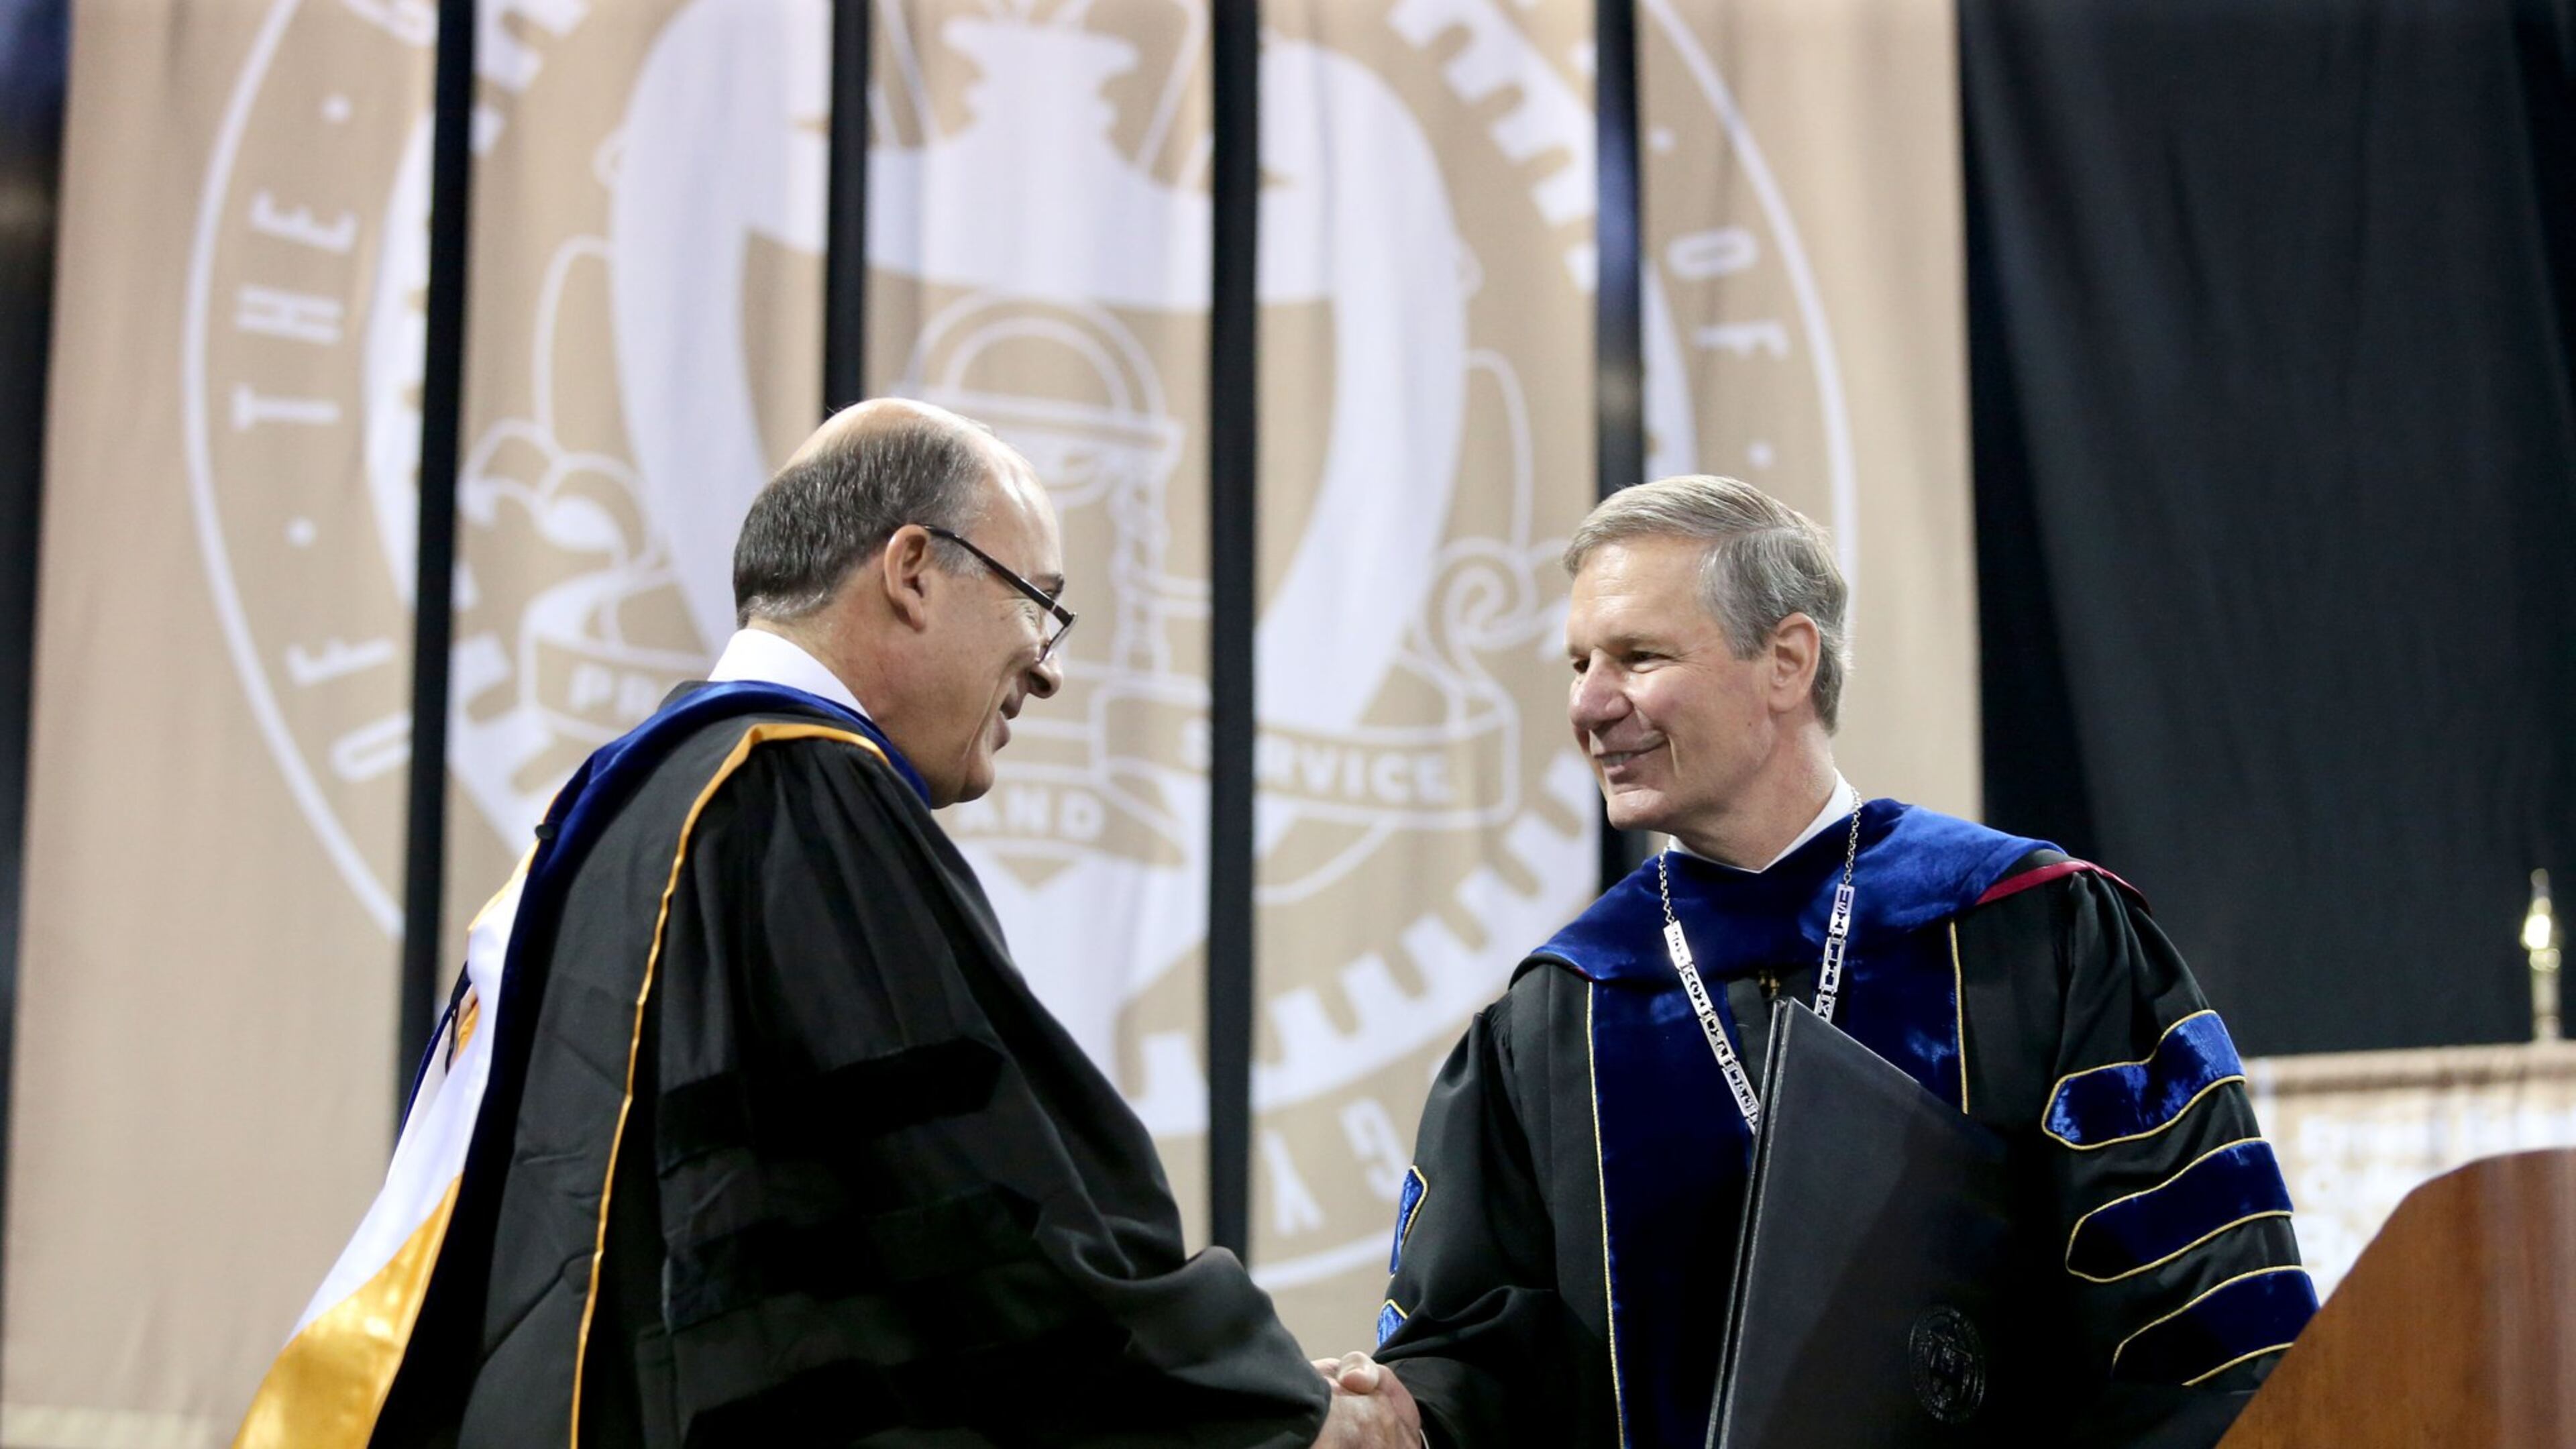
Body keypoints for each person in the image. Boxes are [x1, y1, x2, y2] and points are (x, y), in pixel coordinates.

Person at [232, 400, 1414, 1448]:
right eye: (1037, 606)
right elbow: (977, 1211)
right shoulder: (797, 795)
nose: (1044, 671)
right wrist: (1254, 1399)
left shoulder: (622, 814)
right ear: (913, 569)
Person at [1331, 476, 2314, 1448]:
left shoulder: (2033, 935)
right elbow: (1477, 1349)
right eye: (1579, 661)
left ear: (1787, 662)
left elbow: (2200, 1325)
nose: (1590, 703)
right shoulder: (1563, 1015)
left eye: (1637, 657)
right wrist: (1401, 1417)